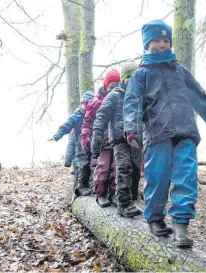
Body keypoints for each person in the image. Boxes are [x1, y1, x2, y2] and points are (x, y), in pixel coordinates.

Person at [123, 19, 206, 247]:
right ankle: (155, 217)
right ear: (147, 45)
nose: (162, 45)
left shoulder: (180, 71)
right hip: (157, 133)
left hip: (185, 132)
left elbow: (199, 96)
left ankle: (181, 223)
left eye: (165, 40)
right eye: (156, 41)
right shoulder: (140, 76)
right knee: (157, 176)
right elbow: (131, 103)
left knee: (186, 176)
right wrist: (131, 130)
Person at [91, 62, 142, 217]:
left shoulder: (140, 96)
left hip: (137, 140)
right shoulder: (114, 96)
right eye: (130, 77)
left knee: (136, 170)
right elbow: (101, 117)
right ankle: (123, 204)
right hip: (120, 139)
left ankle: (131, 198)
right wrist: (96, 137)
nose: (133, 81)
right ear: (124, 79)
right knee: (123, 168)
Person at [80, 70, 120, 208]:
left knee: (117, 169)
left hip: (117, 141)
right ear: (105, 86)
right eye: (111, 87)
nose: (114, 90)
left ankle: (114, 194)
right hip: (102, 142)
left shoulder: (121, 99)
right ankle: (100, 194)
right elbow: (87, 122)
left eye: (117, 86)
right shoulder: (96, 102)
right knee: (102, 167)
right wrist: (86, 138)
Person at [49, 91, 95, 197]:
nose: (85, 106)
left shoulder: (94, 115)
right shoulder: (76, 116)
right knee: (81, 166)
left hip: (92, 145)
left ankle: (92, 187)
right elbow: (66, 126)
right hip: (80, 146)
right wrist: (57, 135)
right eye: (83, 104)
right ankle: (78, 190)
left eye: (87, 104)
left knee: (92, 165)